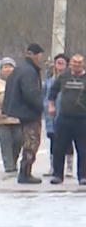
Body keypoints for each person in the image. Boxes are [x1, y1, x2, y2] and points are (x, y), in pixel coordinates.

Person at [2, 43, 45, 184]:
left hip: (21, 110)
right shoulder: (29, 71)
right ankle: (25, 173)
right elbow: (30, 93)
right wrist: (41, 106)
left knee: (27, 141)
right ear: (35, 55)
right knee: (32, 142)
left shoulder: (20, 68)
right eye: (40, 55)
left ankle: (25, 171)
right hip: (28, 112)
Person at [46, 54, 86, 185]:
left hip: (82, 118)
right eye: (74, 63)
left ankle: (83, 176)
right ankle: (58, 175)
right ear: (70, 64)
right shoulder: (64, 77)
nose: (77, 65)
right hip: (64, 117)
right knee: (59, 147)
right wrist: (51, 106)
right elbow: (52, 93)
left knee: (83, 148)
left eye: (80, 63)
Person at [42, 53, 74, 177]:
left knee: (68, 140)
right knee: (53, 140)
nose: (59, 64)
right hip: (51, 114)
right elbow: (45, 95)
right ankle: (53, 167)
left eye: (62, 62)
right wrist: (46, 108)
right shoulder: (49, 79)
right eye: (58, 62)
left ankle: (69, 167)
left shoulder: (71, 78)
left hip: (67, 113)